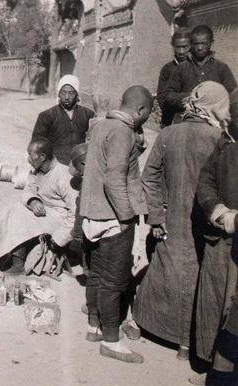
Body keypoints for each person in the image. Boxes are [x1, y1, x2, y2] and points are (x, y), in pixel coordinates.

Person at [136, 81, 230, 361]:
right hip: (205, 219)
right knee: (197, 275)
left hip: (170, 215)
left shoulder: (168, 133)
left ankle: (147, 324)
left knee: (165, 268)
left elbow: (149, 176)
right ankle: (186, 344)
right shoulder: (219, 139)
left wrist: (155, 215)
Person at [80, 85, 153, 364]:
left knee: (96, 274)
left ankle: (93, 326)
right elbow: (114, 180)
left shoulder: (100, 125)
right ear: (142, 110)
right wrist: (126, 217)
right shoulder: (123, 132)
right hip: (112, 218)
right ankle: (112, 341)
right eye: (145, 116)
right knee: (113, 281)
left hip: (90, 215)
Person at [0, 137, 78, 274]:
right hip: (43, 212)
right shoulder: (38, 171)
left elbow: (75, 213)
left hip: (59, 218)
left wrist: (61, 238)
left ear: (43, 156)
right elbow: (28, 190)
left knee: (21, 215)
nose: (28, 159)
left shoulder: (63, 174)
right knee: (12, 206)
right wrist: (33, 201)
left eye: (31, 155)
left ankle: (17, 263)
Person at [192, 88, 238, 386]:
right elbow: (205, 180)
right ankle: (215, 367)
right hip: (221, 235)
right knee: (214, 301)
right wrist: (219, 211)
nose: (230, 117)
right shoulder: (226, 141)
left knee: (233, 308)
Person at [159, 25, 237, 124]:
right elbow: (168, 96)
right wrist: (191, 98)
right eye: (196, 44)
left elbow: (233, 95)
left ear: (211, 43)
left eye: (204, 43)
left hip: (215, 123)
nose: (200, 47)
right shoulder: (181, 68)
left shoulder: (221, 68)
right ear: (191, 44)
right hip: (185, 122)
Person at [31, 74, 95, 165]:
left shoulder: (88, 114)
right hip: (55, 166)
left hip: (79, 166)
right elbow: (36, 145)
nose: (66, 97)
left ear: (77, 94)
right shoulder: (46, 116)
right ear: (58, 93)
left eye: (71, 93)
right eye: (63, 92)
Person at [157, 28, 191, 128]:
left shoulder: (197, 69)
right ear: (173, 47)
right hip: (170, 121)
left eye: (185, 47)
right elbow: (162, 98)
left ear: (191, 46)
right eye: (178, 47)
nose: (181, 51)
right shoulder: (167, 69)